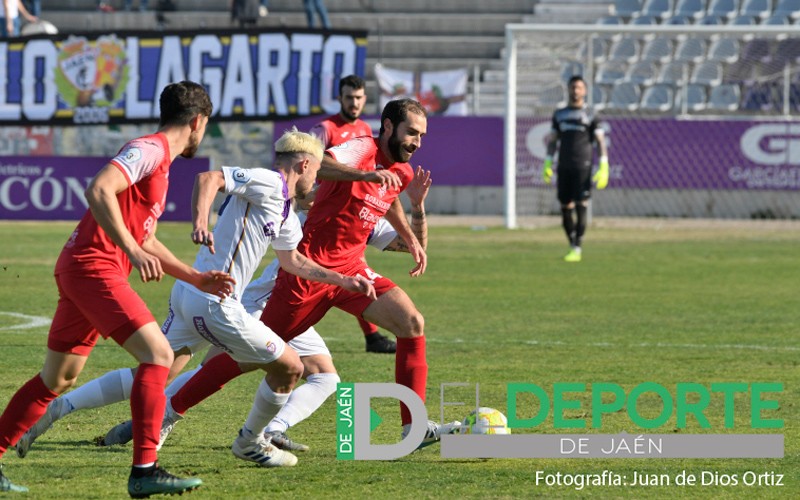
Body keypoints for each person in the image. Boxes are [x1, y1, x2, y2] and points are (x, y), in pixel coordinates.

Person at [160, 98, 459, 452]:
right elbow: (326, 163)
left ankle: (414, 426)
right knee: (248, 357)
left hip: (351, 271)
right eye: (411, 132)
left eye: (422, 135)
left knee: (411, 322)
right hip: (308, 272)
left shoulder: (403, 172)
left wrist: (411, 230)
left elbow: (391, 193)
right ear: (389, 127)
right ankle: (168, 411)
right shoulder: (363, 148)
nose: (417, 142)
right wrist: (365, 174)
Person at [0, 81, 234, 497]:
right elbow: (98, 189)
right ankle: (145, 469)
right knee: (159, 354)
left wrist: (194, 277)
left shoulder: (161, 164)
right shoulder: (150, 150)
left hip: (83, 269)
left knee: (59, 377)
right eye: (205, 125)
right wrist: (127, 247)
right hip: (94, 267)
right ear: (198, 122)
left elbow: (144, 238)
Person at [310, 74, 396, 354]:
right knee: (300, 271)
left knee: (355, 265)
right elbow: (308, 162)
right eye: (350, 97)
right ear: (340, 98)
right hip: (318, 213)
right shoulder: (325, 128)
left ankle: (372, 336)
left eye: (359, 98)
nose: (355, 102)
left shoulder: (364, 130)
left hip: (352, 216)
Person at [542, 75, 609, 263]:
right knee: (565, 207)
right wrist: (548, 161)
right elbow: (553, 140)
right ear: (568, 90)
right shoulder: (559, 114)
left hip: (583, 166)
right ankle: (572, 243)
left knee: (581, 205)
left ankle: (577, 246)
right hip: (564, 166)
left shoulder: (591, 114)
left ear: (585, 91)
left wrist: (604, 164)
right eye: (573, 87)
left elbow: (600, 141)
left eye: (579, 88)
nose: (576, 91)